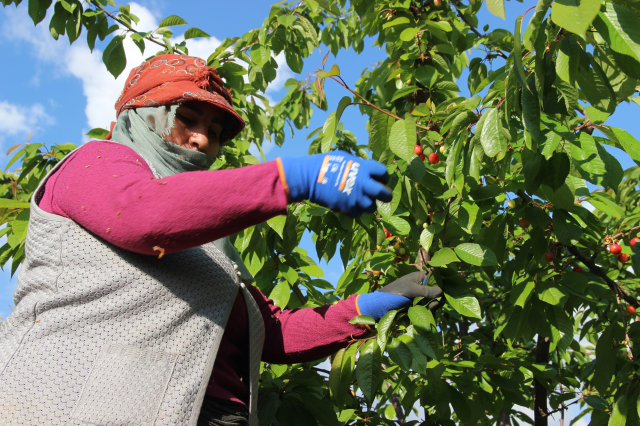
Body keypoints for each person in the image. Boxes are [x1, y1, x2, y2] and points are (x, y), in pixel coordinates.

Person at [0, 54, 443, 426]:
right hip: (75, 406)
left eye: (214, 132)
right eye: (187, 119)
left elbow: (271, 334)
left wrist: (368, 307)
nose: (201, 139)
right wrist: (292, 179)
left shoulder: (210, 244)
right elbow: (141, 215)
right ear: (138, 116)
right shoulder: (96, 162)